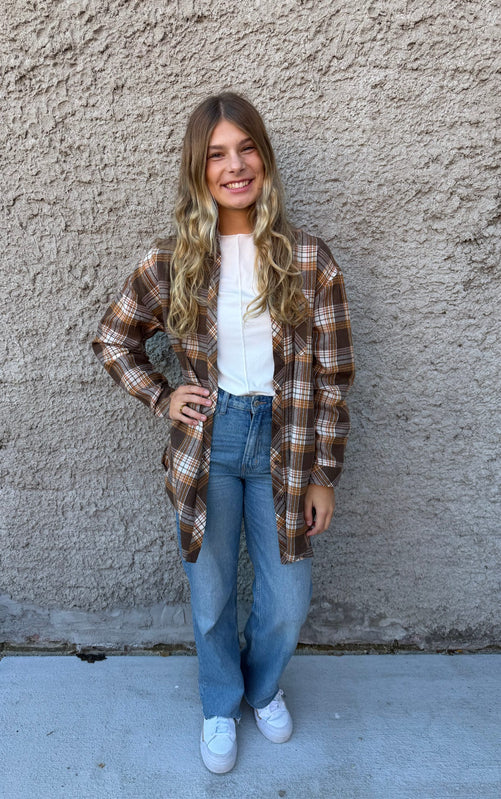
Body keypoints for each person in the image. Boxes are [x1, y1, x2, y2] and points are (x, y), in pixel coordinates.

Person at [92, 92, 355, 774]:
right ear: (197, 169)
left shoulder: (309, 260)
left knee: (285, 601)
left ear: (263, 158)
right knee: (209, 595)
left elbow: (333, 376)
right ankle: (220, 700)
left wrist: (324, 472)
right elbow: (114, 337)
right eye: (216, 154)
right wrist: (162, 392)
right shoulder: (173, 259)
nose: (233, 166)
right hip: (208, 444)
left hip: (284, 447)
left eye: (245, 149)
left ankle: (262, 686)